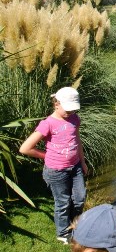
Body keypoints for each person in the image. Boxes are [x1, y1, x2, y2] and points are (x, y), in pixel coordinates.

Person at [20, 87, 87, 243]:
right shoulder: (48, 124)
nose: (70, 112)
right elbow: (25, 148)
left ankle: (75, 224)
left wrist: (82, 162)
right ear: (56, 104)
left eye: (73, 109)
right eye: (67, 109)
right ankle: (63, 233)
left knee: (80, 198)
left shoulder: (74, 119)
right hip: (57, 172)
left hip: (75, 166)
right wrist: (46, 155)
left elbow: (77, 141)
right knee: (63, 202)